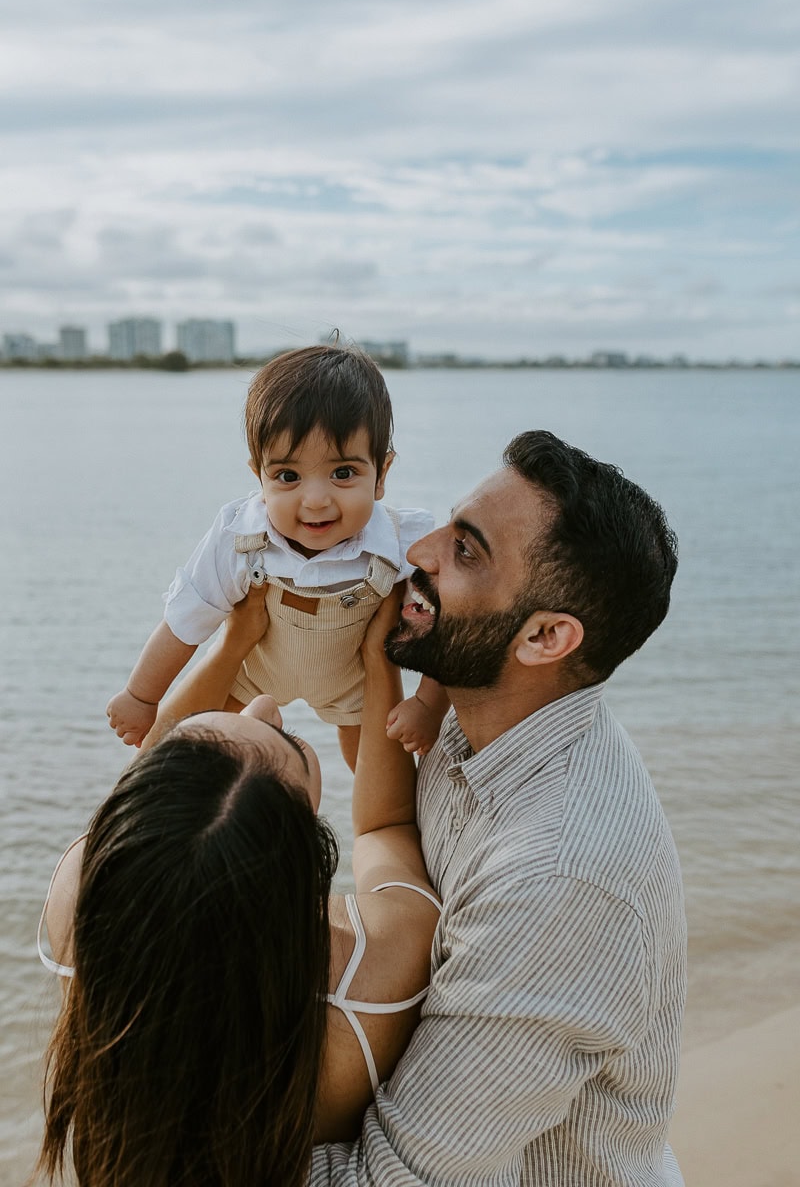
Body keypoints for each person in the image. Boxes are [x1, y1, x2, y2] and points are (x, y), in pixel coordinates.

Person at [309, 430, 687, 1185]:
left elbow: (395, 1180)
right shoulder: (480, 709)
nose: (421, 552)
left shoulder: (561, 880)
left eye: (467, 551)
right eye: (449, 525)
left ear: (547, 637)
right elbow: (389, 837)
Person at [37, 588, 442, 1187]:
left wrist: (235, 641)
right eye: (289, 744)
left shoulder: (82, 895)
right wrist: (377, 662)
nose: (267, 706)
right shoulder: (372, 976)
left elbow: (154, 782)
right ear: (304, 861)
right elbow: (386, 826)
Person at [105, 344, 448, 769]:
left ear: (382, 475)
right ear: (259, 477)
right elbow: (185, 620)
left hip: (353, 685)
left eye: (343, 473)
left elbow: (446, 624)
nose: (317, 500)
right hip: (254, 673)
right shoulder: (241, 536)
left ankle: (383, 829)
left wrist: (428, 705)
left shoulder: (401, 543)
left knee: (377, 772)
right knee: (191, 752)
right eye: (288, 476)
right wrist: (142, 695)